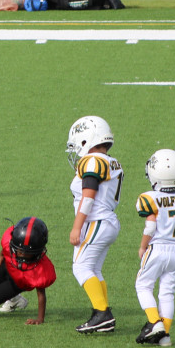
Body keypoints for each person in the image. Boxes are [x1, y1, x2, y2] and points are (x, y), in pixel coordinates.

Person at [65, 115, 123, 334]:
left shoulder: (92, 161)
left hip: (95, 221)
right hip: (107, 220)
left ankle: (102, 313)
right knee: (94, 269)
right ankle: (101, 313)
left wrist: (77, 226)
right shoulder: (110, 161)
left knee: (81, 267)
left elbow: (88, 195)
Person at [133, 149, 175, 347]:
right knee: (167, 292)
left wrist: (142, 246)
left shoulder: (148, 198)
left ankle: (155, 322)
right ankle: (165, 336)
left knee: (143, 285)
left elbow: (151, 226)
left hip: (157, 248)